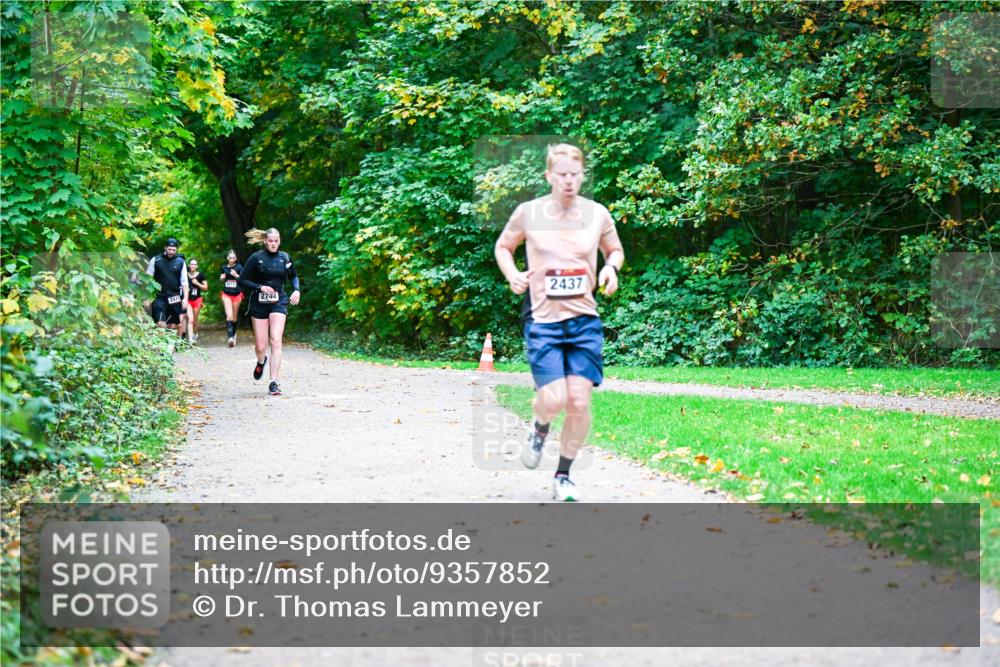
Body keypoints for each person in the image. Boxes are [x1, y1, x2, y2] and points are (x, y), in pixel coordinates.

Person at [494, 143, 624, 501]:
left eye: (575, 174)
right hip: (544, 320)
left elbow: (614, 250)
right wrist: (512, 274)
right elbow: (503, 247)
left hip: (584, 320)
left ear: (582, 176)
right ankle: (539, 429)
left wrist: (611, 268)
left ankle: (563, 476)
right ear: (549, 176)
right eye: (561, 174)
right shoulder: (528, 213)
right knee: (553, 400)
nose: (568, 181)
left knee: (579, 402)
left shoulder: (597, 214)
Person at [237, 228, 300, 395]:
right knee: (261, 345)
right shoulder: (256, 258)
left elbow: (294, 275)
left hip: (278, 301)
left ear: (279, 241)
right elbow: (242, 280)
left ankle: (274, 381)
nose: (273, 244)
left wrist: (296, 290)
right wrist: (260, 287)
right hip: (259, 303)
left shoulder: (285, 257)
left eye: (276, 241)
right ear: (265, 241)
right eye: (270, 241)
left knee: (276, 340)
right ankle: (260, 361)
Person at [146, 237, 189, 338]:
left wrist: (185, 299)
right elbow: (148, 280)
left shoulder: (181, 262)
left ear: (176, 250)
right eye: (169, 249)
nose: (171, 252)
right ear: (165, 248)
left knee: (172, 325)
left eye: (174, 250)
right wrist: (147, 297)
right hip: (159, 296)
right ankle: (163, 351)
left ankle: (169, 349)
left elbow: (185, 282)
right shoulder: (155, 260)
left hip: (174, 297)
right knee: (160, 323)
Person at [220, 249, 244, 347]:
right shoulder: (224, 267)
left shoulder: (239, 267)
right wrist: (221, 278)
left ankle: (234, 334)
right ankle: (230, 337)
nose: (232, 259)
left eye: (233, 258)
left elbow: (243, 279)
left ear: (236, 258)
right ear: (227, 258)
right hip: (226, 294)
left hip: (237, 294)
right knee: (229, 315)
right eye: (230, 257)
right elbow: (222, 278)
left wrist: (236, 275)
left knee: (234, 317)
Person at [186, 259, 207, 342]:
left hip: (197, 300)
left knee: (194, 320)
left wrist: (197, 283)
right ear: (189, 265)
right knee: (190, 319)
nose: (193, 266)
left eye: (195, 264)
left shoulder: (200, 275)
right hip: (188, 300)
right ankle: (191, 339)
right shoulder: (185, 275)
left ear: (197, 266)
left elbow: (205, 288)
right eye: (191, 264)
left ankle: (195, 333)